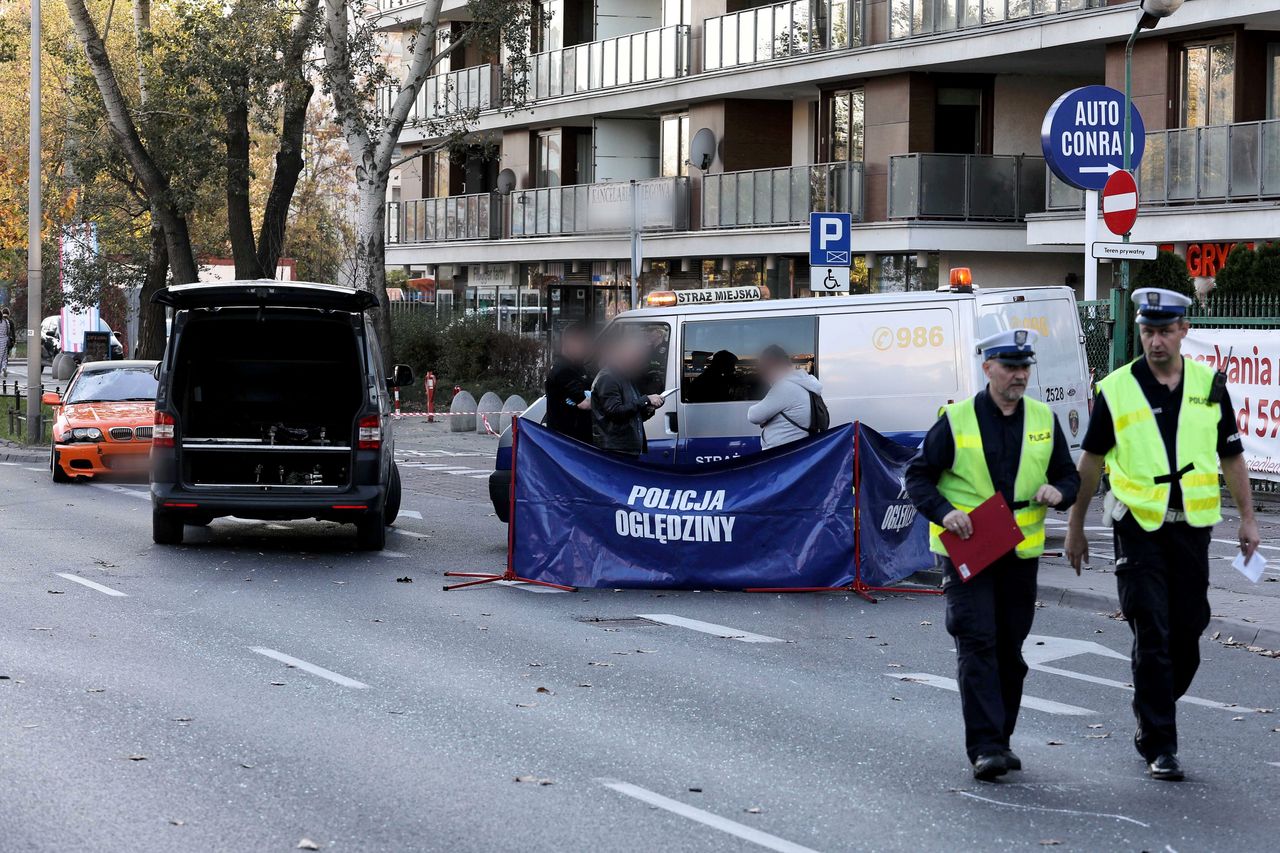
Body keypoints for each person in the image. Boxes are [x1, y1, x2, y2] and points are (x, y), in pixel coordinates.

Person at [1065, 288, 1258, 783]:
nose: (1155, 341)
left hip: (1191, 528)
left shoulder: (1209, 385)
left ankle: (1151, 702)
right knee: (1151, 629)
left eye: (1165, 331)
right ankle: (1160, 744)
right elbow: (1091, 461)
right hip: (1137, 527)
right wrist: (1076, 526)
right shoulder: (1117, 389)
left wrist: (1248, 519)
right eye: (1148, 331)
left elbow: (1232, 456)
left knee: (1188, 632)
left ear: (1183, 330)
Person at [906, 329, 1080, 781]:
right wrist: (945, 513)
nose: (1019, 375)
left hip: (1020, 551)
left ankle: (1000, 740)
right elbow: (918, 477)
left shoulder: (1043, 418)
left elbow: (1069, 476)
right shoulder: (957, 419)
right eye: (1010, 367)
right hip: (970, 548)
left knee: (1009, 649)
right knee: (977, 640)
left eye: (1024, 367)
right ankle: (984, 747)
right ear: (988, 368)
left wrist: (1059, 491)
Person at [591, 334, 664, 459]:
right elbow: (615, 412)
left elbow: (631, 413)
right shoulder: (608, 378)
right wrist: (645, 400)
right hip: (616, 449)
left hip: (627, 447)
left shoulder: (626, 377)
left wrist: (648, 409)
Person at [746, 345, 825, 450]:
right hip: (796, 448)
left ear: (772, 365)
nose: (765, 377)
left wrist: (766, 417)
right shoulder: (803, 383)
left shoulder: (785, 387)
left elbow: (754, 415)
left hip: (783, 452)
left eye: (765, 369)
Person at [544, 323, 594, 444]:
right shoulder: (563, 370)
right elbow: (584, 402)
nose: (585, 347)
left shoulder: (578, 367)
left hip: (577, 438)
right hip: (567, 440)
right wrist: (611, 400)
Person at [0, 307, 13, 379]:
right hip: (4, 341)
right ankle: (4, 367)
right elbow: (8, 331)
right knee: (4, 357)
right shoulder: (6, 321)